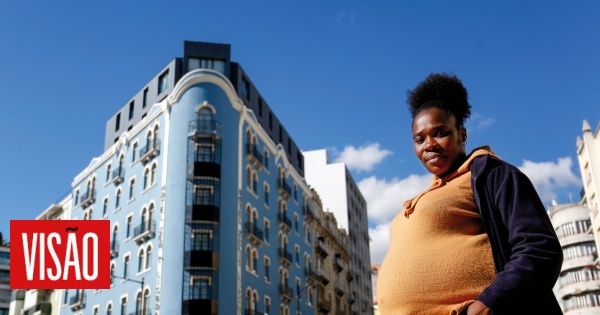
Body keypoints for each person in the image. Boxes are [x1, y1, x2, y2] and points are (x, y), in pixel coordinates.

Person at [375, 73, 563, 315]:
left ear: (461, 134)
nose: (429, 144)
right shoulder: (429, 192)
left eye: (440, 132)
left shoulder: (492, 175)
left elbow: (540, 248)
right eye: (419, 139)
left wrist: (489, 305)